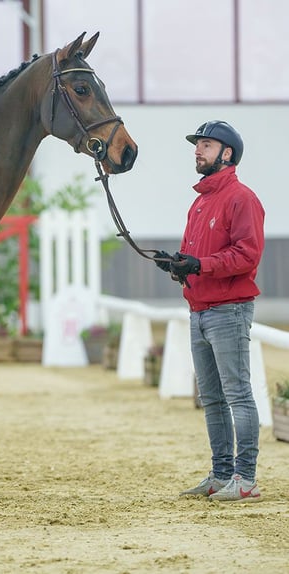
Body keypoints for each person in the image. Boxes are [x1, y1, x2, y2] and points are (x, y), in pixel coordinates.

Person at [154, 120, 265, 502]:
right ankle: (221, 475)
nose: (197, 151)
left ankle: (245, 478)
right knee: (213, 398)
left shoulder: (241, 198)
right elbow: (198, 256)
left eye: (205, 145)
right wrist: (179, 266)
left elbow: (247, 255)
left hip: (229, 311)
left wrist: (199, 265)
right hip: (200, 311)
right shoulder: (200, 202)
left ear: (227, 153)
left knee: (237, 395)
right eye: (197, 145)